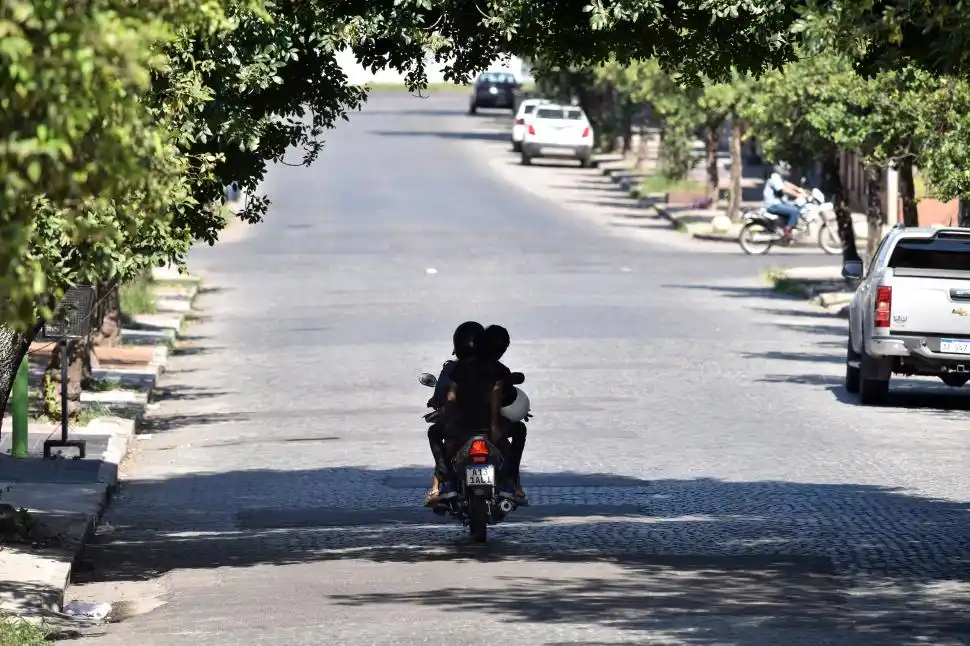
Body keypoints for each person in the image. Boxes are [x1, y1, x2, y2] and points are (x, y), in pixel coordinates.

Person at [426, 321, 486, 506]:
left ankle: (446, 483)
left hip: (459, 427)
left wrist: (437, 404)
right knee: (514, 438)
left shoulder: (451, 369)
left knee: (435, 433)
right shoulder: (493, 368)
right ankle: (513, 485)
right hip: (490, 426)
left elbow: (442, 396)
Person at [482, 324, 528, 503]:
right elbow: (505, 397)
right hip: (492, 426)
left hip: (464, 423)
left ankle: (441, 486)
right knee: (518, 432)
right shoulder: (500, 371)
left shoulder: (462, 365)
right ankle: (513, 486)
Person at [763, 162, 810, 239]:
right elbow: (783, 189)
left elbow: (787, 184)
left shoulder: (779, 178)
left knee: (795, 206)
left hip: (778, 203)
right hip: (773, 205)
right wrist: (798, 195)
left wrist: (799, 189)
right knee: (794, 211)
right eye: (785, 168)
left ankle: (789, 227)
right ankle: (787, 231)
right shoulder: (775, 177)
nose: (787, 170)